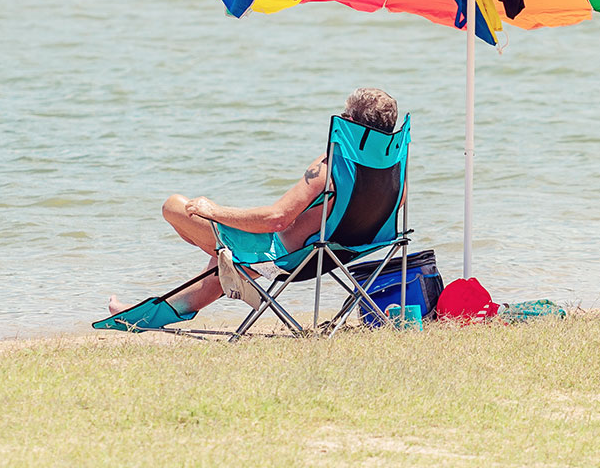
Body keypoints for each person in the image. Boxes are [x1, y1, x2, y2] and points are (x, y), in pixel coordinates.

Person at [107, 88, 400, 318]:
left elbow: (277, 219)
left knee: (175, 206)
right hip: (341, 254)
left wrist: (214, 211)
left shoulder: (331, 165)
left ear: (349, 123)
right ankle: (145, 314)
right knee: (219, 264)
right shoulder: (395, 170)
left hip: (282, 258)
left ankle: (234, 265)